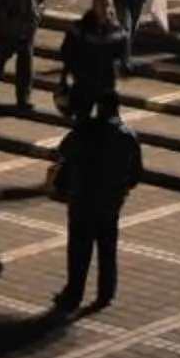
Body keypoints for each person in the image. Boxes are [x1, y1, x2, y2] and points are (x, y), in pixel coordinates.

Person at [48, 97, 145, 313]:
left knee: (78, 251)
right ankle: (105, 293)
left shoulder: (84, 132)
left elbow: (63, 151)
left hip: (82, 201)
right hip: (110, 203)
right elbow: (137, 174)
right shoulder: (128, 136)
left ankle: (73, 295)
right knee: (107, 249)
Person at [59, 0, 131, 120]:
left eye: (107, 5)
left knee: (109, 124)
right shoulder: (79, 28)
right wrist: (73, 73)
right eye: (101, 5)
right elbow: (66, 52)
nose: (105, 9)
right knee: (82, 123)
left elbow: (123, 56)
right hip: (84, 85)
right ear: (94, 6)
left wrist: (121, 68)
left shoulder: (118, 31)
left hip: (107, 86)